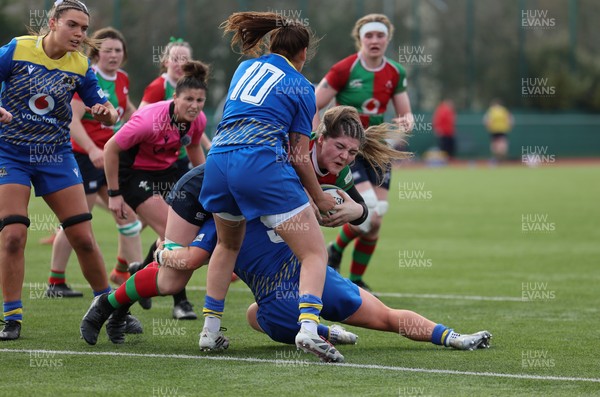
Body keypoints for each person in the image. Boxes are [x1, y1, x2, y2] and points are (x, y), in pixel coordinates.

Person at [79, 107, 414, 357]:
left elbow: (359, 210)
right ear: (319, 138)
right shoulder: (295, 151)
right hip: (204, 189)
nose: (345, 157)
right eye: (341, 148)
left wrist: (356, 209)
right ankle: (107, 303)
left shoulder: (333, 167)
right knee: (178, 272)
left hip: (237, 198)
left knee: (173, 279)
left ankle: (128, 300)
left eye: (352, 153)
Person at [80, 202, 492, 358]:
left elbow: (191, 260)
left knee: (258, 315)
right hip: (308, 285)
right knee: (384, 317)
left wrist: (163, 251)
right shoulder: (260, 203)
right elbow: (195, 258)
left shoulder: (253, 202)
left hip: (294, 294)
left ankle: (452, 337)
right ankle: (453, 337)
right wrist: (167, 250)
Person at [196, 11, 340, 361]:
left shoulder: (244, 68)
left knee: (227, 246)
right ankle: (307, 329)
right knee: (314, 252)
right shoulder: (303, 87)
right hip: (258, 163)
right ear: (303, 53)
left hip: (217, 160)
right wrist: (319, 197)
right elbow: (298, 154)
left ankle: (209, 331)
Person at [0, 0, 117, 340]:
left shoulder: (80, 65)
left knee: (81, 236)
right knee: (13, 235)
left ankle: (105, 309)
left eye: (84, 28)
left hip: (56, 156)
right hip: (11, 154)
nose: (80, 34)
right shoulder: (17, 49)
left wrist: (106, 113)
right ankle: (12, 318)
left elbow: (105, 106)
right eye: (73, 25)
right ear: (52, 22)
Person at [313, 14, 414, 291]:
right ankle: (337, 255)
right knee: (368, 209)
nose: (374, 40)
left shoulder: (395, 72)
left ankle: (353, 276)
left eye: (380, 35)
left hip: (377, 150)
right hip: (350, 149)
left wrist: (406, 121)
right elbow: (313, 104)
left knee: (377, 219)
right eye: (369, 35)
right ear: (360, 39)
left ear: (387, 39)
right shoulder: (344, 69)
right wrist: (314, 138)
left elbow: (405, 113)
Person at [103, 60, 207, 320]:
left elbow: (194, 149)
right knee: (173, 234)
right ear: (175, 98)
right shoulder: (148, 120)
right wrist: (114, 194)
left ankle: (140, 271)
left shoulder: (198, 120)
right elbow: (110, 149)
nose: (194, 106)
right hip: (134, 173)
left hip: (168, 170)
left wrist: (209, 187)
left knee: (187, 230)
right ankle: (180, 303)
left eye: (200, 100)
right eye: (188, 99)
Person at [45, 27, 142, 298]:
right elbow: (73, 119)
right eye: (107, 50)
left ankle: (130, 281)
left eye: (118, 50)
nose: (113, 55)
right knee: (76, 221)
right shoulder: (87, 76)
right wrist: (91, 150)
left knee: (128, 217)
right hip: (85, 158)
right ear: (96, 53)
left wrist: (148, 121)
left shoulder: (122, 79)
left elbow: (128, 111)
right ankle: (56, 282)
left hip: (109, 159)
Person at [139, 37, 212, 170]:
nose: (180, 64)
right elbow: (140, 117)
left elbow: (195, 122)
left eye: (185, 60)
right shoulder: (159, 86)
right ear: (166, 62)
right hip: (159, 154)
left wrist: (207, 144)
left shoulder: (191, 88)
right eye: (175, 59)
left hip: (181, 153)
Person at [483, 99, 513, 164]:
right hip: (500, 130)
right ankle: (499, 159)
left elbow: (487, 121)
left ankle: (499, 159)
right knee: (499, 146)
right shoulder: (503, 110)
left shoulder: (492, 110)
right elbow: (509, 120)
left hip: (497, 130)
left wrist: (488, 126)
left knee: (497, 146)